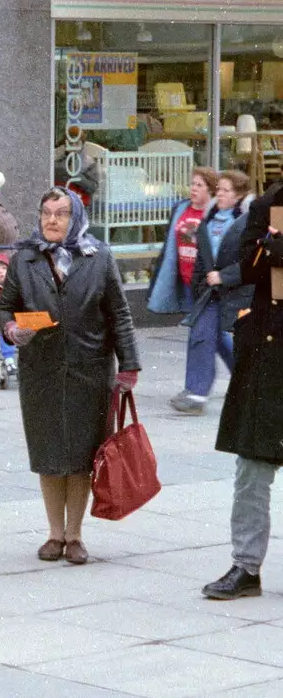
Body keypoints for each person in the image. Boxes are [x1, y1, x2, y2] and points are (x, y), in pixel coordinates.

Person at [0, 187, 140, 567]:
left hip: (89, 368)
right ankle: (53, 534)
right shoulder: (25, 257)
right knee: (47, 453)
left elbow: (120, 314)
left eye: (61, 213)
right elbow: (4, 308)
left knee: (81, 455)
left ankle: (74, 535)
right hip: (40, 368)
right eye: (46, 213)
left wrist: (129, 365)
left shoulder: (98, 256)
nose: (52, 220)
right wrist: (11, 330)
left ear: (75, 217)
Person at [204, 178, 283, 600]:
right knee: (251, 470)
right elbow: (249, 265)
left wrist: (278, 248)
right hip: (268, 355)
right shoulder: (267, 205)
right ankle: (245, 567)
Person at [172, 171, 254, 415]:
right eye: (218, 189)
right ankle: (196, 394)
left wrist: (225, 276)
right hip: (210, 292)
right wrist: (199, 286)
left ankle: (249, 386)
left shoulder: (248, 223)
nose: (219, 194)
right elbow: (202, 259)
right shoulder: (209, 220)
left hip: (239, 293)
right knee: (202, 333)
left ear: (238, 195)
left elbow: (253, 262)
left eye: (226, 190)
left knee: (234, 342)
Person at [148, 167, 217, 318]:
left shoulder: (215, 213)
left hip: (204, 280)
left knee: (205, 326)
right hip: (184, 277)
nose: (194, 188)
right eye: (192, 184)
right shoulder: (180, 209)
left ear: (210, 190)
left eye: (199, 185)